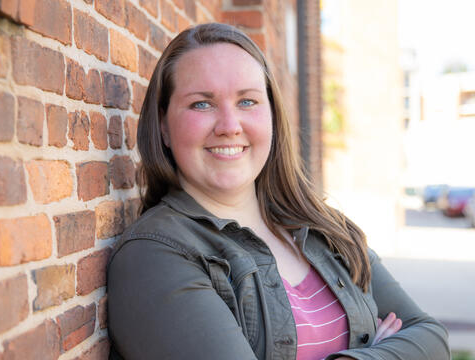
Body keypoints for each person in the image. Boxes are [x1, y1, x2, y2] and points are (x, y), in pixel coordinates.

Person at [106, 23, 449, 360]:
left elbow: (430, 338)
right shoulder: (155, 256)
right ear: (163, 126)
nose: (229, 126)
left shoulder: (322, 229)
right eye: (201, 104)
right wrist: (380, 348)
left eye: (248, 101)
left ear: (272, 115)